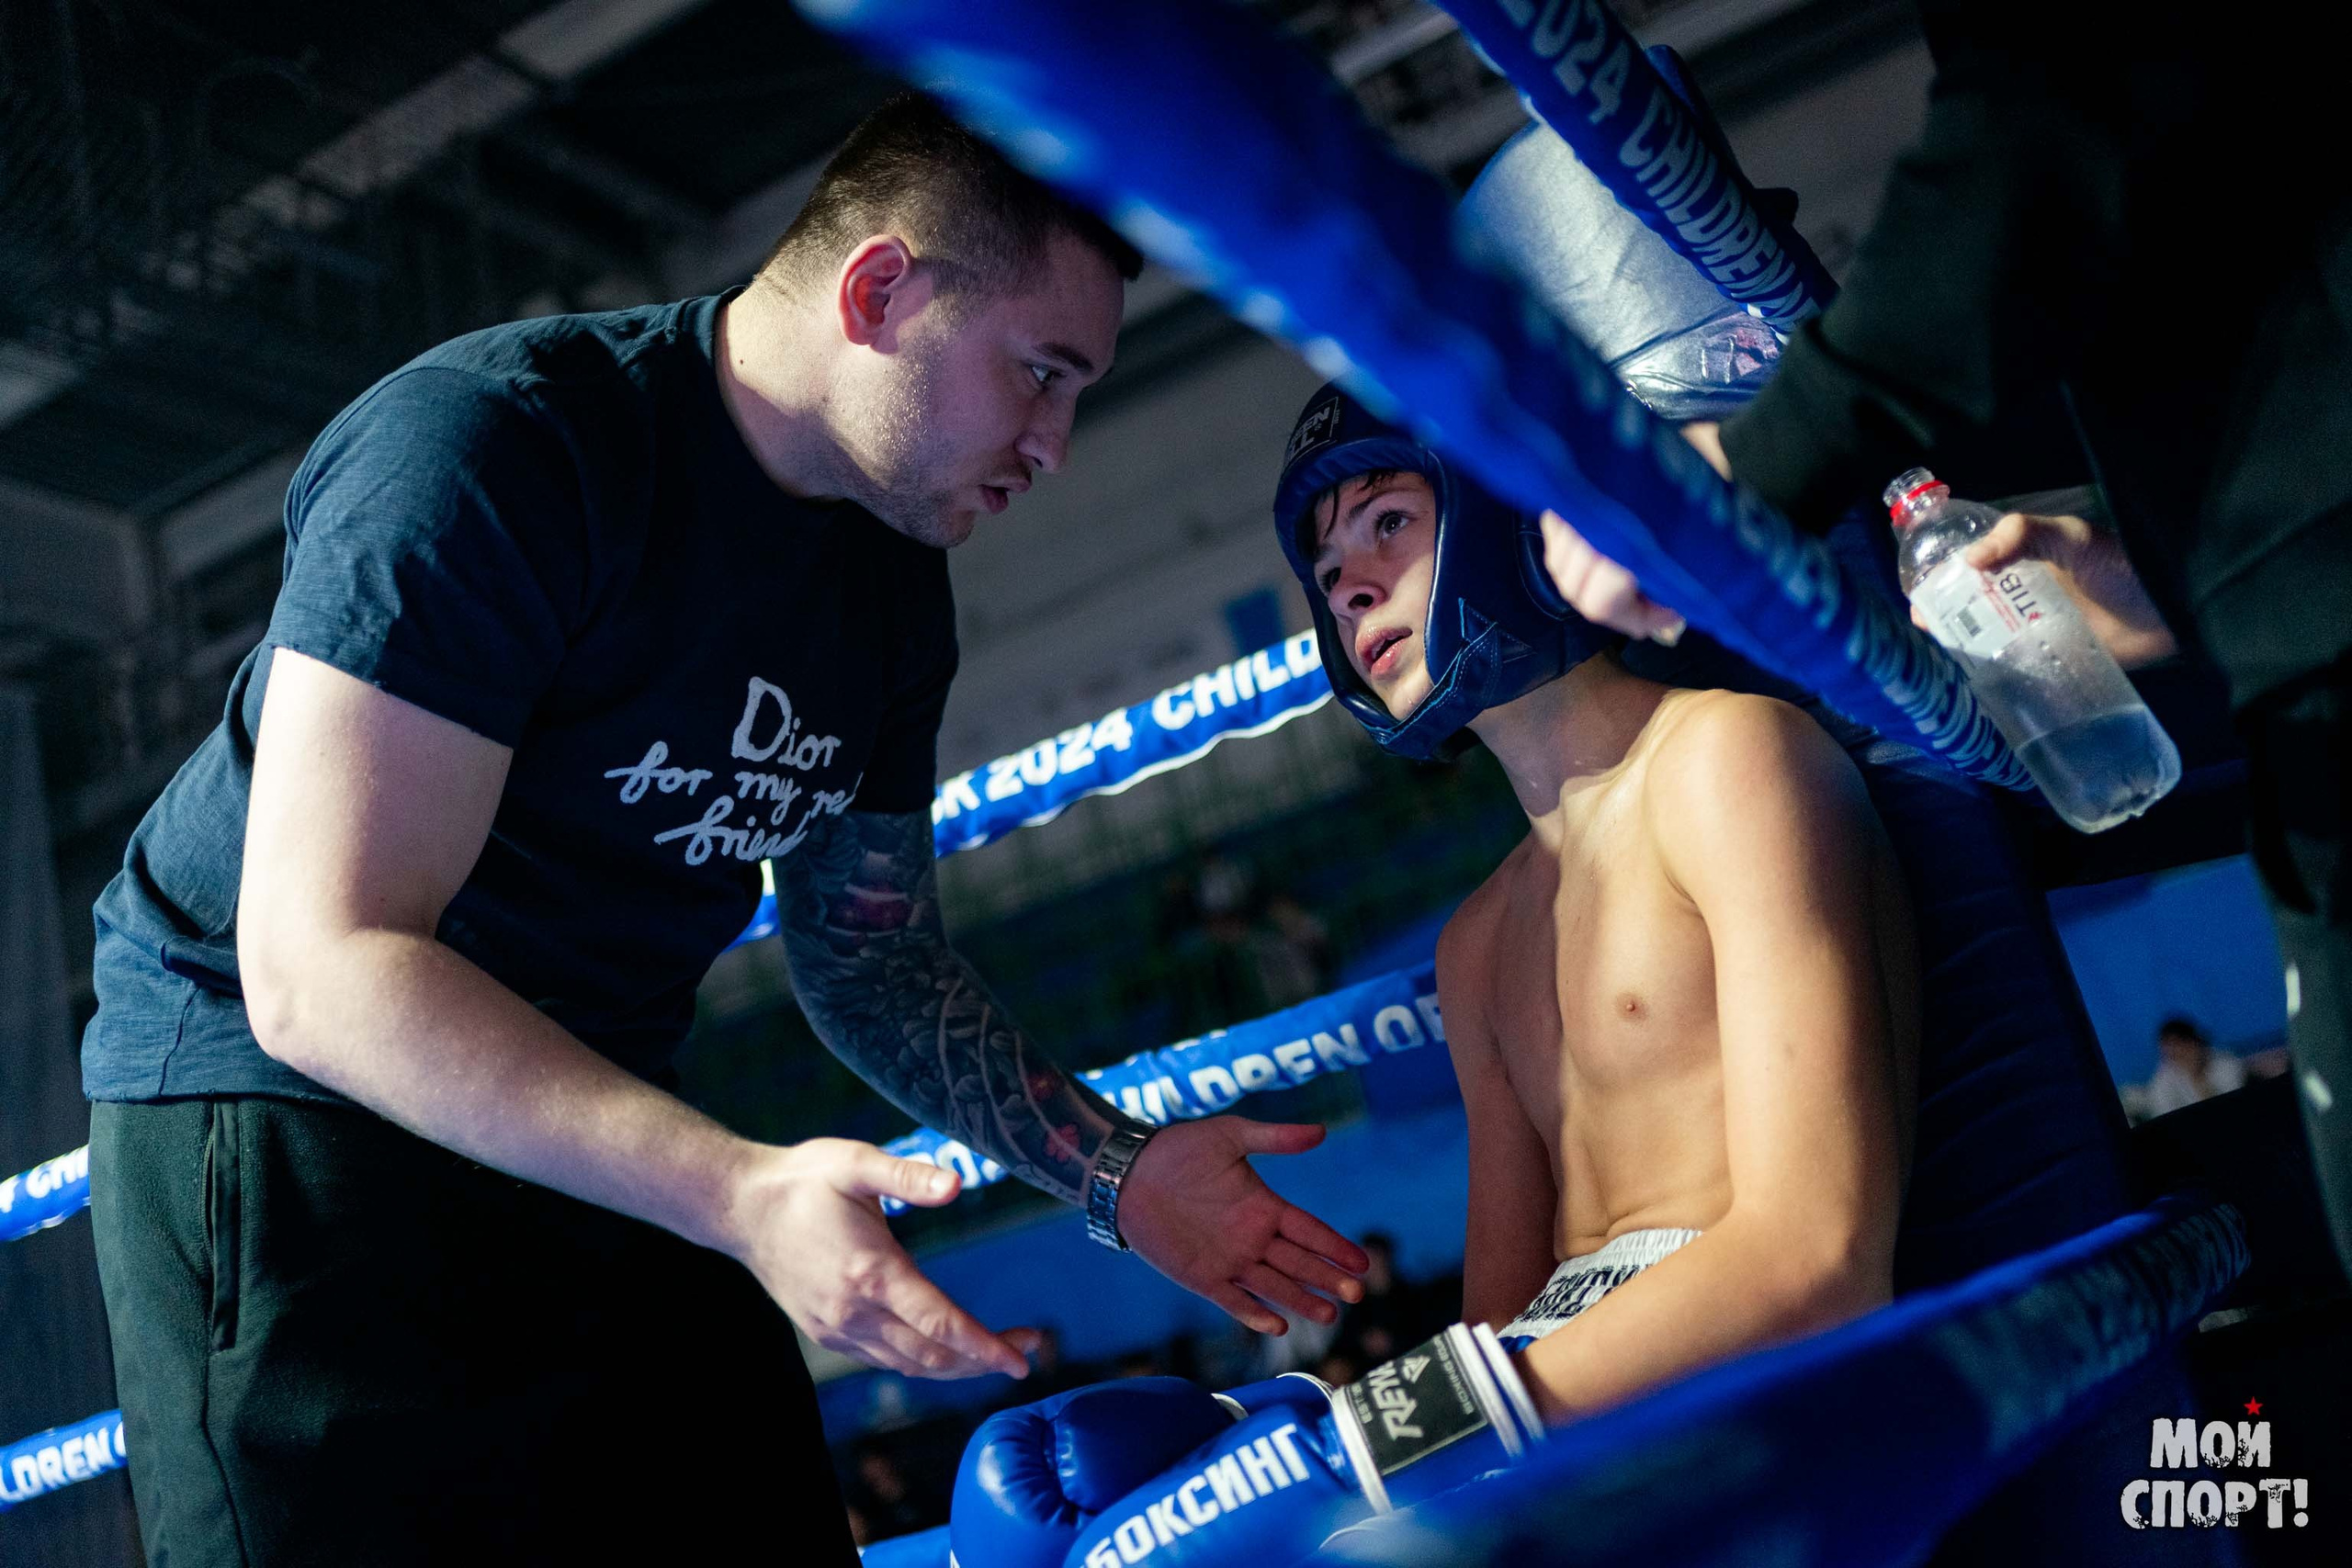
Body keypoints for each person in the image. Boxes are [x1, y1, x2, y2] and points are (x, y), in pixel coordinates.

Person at [78, 92, 1363, 1566]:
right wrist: (741, 1187)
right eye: (1039, 374)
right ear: (880, 290)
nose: (1054, 444)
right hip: (285, 1105)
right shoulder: (498, 445)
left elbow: (869, 958)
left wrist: (1113, 1169)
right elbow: (325, 966)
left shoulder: (888, 591)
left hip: (584, 1096)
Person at [943, 393, 1920, 1567]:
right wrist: (1274, 1434)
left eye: (1388, 523)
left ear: (1516, 519)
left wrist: (1356, 1454)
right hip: (1568, 1445)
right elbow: (1501, 1329)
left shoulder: (1727, 760)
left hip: (1757, 1418)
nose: (1349, 583)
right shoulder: (1479, 944)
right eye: (1327, 561)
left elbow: (1820, 1256)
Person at [1524, 3, 2352, 1271]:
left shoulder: (1732, 763)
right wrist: (2159, 570)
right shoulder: (1513, 915)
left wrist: (1756, 459)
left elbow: (2057, 110)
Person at [2133, 1016, 2248, 1122]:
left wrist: (2197, 1078)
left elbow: (2231, 1112)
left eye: (2180, 1045)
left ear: (2194, 1042)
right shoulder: (2162, 1081)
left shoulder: (2226, 1063)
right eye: (2169, 1053)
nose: (2178, 1054)